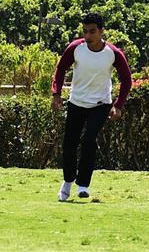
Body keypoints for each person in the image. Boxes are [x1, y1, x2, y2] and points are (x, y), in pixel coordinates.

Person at [51, 12, 132, 202]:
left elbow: (127, 79)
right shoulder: (75, 48)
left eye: (92, 32)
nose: (88, 36)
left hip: (100, 105)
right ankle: (68, 182)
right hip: (76, 102)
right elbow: (61, 69)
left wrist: (118, 105)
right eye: (85, 32)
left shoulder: (113, 53)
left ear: (101, 31)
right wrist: (56, 94)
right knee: (69, 143)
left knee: (89, 140)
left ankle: (83, 185)